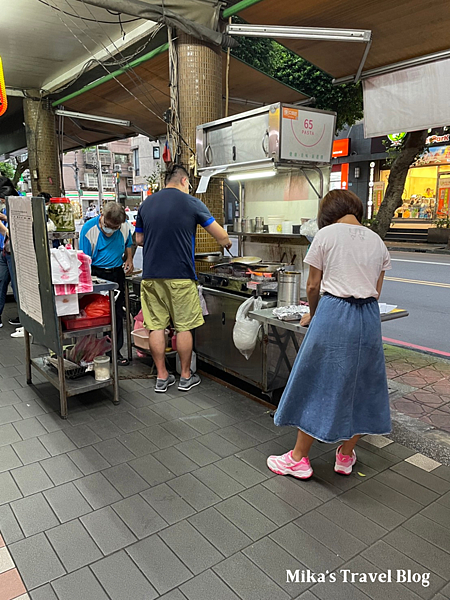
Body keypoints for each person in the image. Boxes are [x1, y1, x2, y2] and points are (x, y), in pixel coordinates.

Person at [267, 189, 392, 480]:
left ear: (327, 214)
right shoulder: (377, 242)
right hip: (368, 317)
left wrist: (315, 312)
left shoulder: (326, 236)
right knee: (364, 384)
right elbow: (376, 289)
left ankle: (298, 459)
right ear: (356, 210)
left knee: (317, 381)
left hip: (334, 312)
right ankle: (345, 455)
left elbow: (313, 286)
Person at [135, 164, 231, 393]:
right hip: (180, 275)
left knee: (155, 326)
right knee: (184, 327)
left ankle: (161, 377)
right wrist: (227, 245)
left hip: (151, 276)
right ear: (185, 181)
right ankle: (185, 376)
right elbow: (223, 236)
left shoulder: (146, 204)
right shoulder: (191, 203)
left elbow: (139, 239)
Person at [79, 201, 133, 366]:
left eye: (115, 227)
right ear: (102, 215)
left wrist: (129, 259)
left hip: (116, 273)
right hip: (96, 273)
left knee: (116, 314)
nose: (111, 230)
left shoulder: (123, 227)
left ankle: (114, 351)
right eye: (109, 225)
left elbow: (128, 244)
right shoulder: (89, 230)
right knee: (95, 314)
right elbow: (84, 260)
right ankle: (92, 352)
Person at [0, 177, 20, 328]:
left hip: (16, 251)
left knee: (17, 285)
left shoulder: (17, 201)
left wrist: (5, 223)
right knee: (1, 282)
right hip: (4, 251)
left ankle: (25, 319)